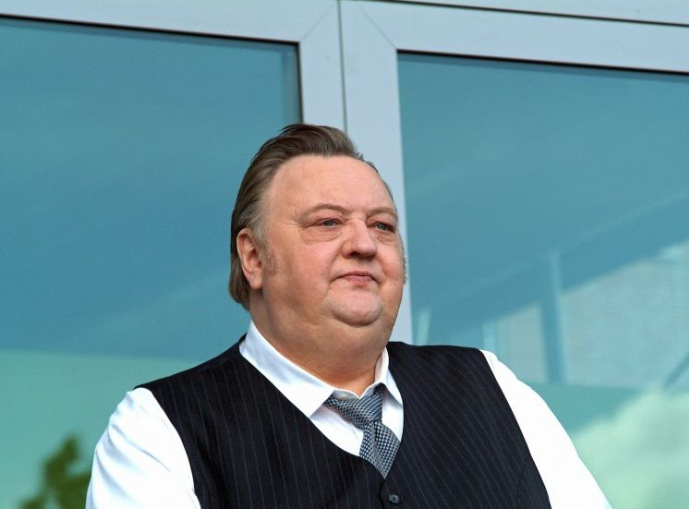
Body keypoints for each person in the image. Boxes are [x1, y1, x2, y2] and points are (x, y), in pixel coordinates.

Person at [87, 124, 610, 508]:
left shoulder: (490, 387)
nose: (363, 244)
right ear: (254, 258)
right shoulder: (160, 429)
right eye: (328, 223)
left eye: (382, 226)